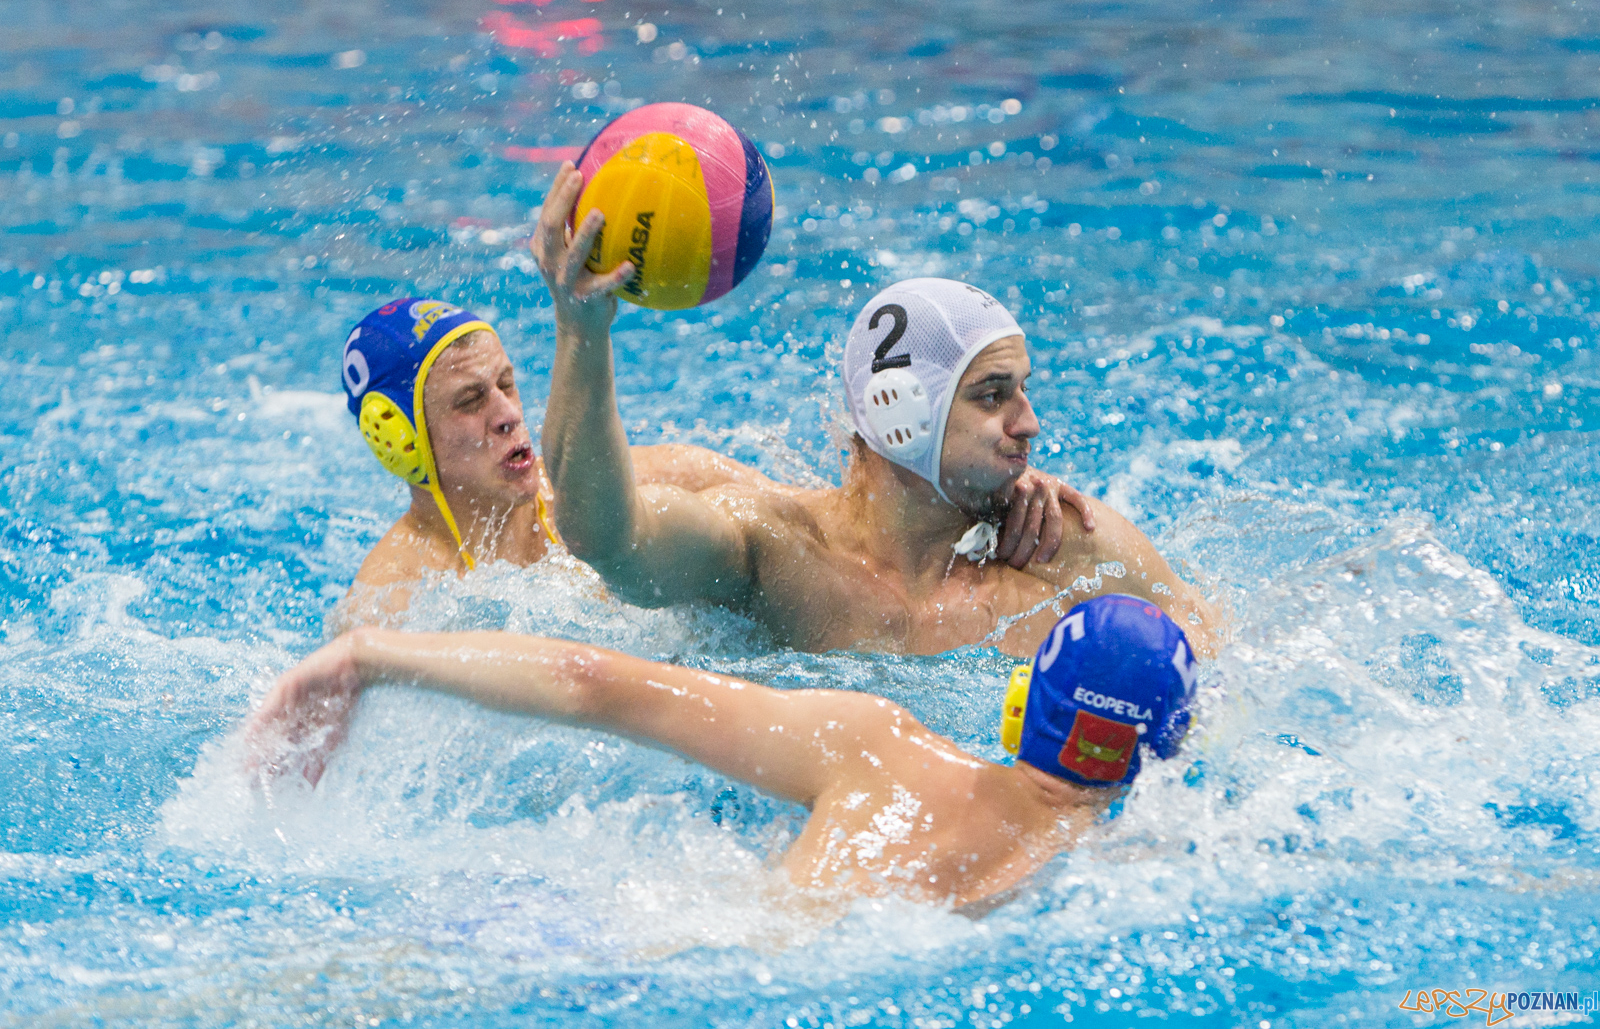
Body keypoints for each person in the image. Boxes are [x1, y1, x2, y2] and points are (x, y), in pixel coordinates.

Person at [532, 164, 1211, 659]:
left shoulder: (1057, 549)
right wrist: (581, 332)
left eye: (1023, 391)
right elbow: (607, 539)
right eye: (992, 394)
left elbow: (1208, 644)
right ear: (898, 413)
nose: (1029, 422)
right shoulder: (773, 553)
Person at [246, 594, 1200, 910]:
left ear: (1020, 704)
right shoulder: (1127, 869)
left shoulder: (874, 748)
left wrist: (369, 654)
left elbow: (591, 679)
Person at [334, 295, 825, 625]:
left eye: (507, 384)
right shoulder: (390, 608)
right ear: (400, 441)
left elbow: (822, 527)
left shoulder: (630, 488)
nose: (509, 415)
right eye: (470, 401)